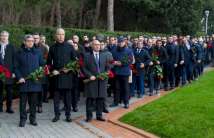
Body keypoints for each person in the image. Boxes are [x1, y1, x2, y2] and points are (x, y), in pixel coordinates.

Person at [47, 28, 77, 122]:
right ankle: (57, 115)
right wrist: (52, 70)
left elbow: (75, 62)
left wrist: (70, 68)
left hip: (67, 76)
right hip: (56, 76)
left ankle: (68, 115)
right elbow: (48, 63)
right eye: (59, 34)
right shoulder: (52, 47)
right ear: (56, 36)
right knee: (56, 98)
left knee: (67, 98)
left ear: (64, 35)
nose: (60, 36)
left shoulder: (70, 47)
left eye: (62, 34)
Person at [14, 34, 45, 127]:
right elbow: (15, 67)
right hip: (23, 82)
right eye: (28, 41)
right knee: (23, 103)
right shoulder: (19, 52)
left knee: (33, 103)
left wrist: (39, 73)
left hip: (35, 82)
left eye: (32, 41)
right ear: (24, 42)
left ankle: (33, 119)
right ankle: (23, 119)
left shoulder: (38, 52)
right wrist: (19, 77)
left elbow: (42, 65)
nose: (31, 42)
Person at [82, 40, 111, 122]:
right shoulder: (87, 56)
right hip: (91, 81)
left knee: (100, 99)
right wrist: (89, 75)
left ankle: (99, 115)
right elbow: (83, 68)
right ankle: (89, 116)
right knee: (90, 99)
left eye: (99, 45)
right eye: (96, 45)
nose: (98, 46)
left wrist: (105, 74)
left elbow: (108, 67)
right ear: (92, 46)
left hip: (102, 81)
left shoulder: (104, 55)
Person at [111, 36, 133, 109]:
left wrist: (121, 63)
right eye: (119, 42)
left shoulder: (128, 51)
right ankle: (116, 102)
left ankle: (126, 102)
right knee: (116, 88)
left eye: (122, 42)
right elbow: (111, 59)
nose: (120, 43)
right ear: (117, 43)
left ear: (124, 42)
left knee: (125, 88)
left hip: (125, 72)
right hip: (116, 72)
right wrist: (114, 62)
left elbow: (130, 61)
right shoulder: (114, 50)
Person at [0, 31, 16, 113]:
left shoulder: (12, 47)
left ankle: (9, 108)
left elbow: (15, 60)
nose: (4, 37)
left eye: (5, 36)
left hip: (9, 73)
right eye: (2, 35)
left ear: (8, 37)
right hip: (0, 73)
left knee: (9, 91)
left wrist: (13, 72)